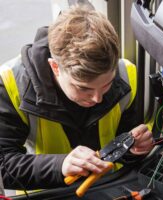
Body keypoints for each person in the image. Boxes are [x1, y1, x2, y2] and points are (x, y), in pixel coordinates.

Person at [0, 4, 153, 192]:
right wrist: (60, 165)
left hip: (110, 185)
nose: (97, 98)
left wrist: (135, 149)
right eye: (83, 88)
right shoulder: (10, 84)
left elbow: (125, 148)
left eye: (106, 85)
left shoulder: (126, 74)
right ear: (55, 67)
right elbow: (2, 166)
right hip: (49, 192)